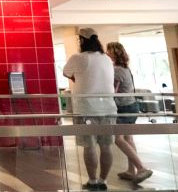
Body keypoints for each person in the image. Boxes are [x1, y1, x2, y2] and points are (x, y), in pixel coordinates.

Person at [63, 28, 118, 191]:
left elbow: (66, 73)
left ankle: (93, 180)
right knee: (107, 146)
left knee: (89, 146)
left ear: (81, 41)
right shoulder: (107, 59)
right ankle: (103, 180)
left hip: (86, 109)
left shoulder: (78, 58)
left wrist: (79, 79)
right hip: (108, 108)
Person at [106, 42, 153, 184]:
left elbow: (113, 91)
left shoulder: (117, 70)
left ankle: (141, 168)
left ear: (115, 53)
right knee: (128, 139)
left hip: (124, 108)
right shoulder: (125, 68)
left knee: (118, 139)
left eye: (109, 50)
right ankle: (131, 170)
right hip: (132, 106)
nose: (107, 53)